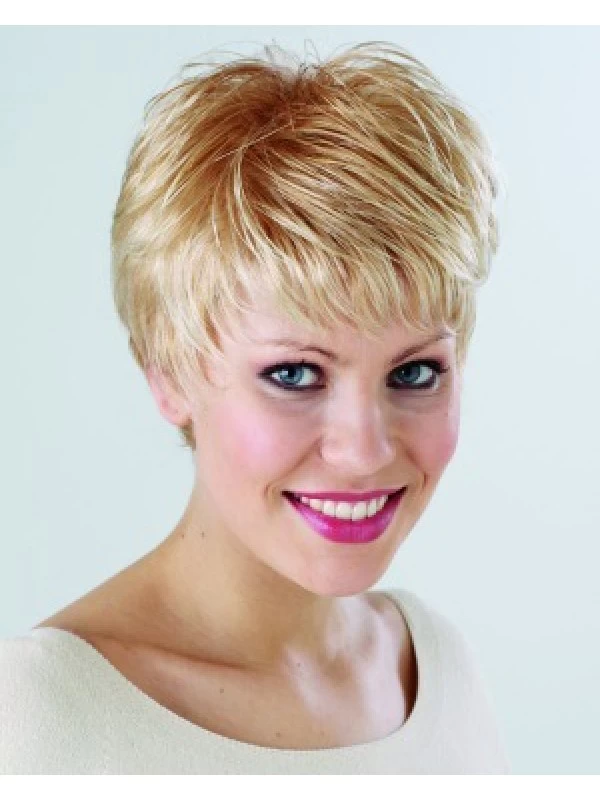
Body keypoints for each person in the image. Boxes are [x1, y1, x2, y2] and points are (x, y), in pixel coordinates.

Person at [0, 41, 509, 774]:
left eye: (415, 372)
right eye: (295, 374)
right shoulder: (39, 718)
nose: (364, 450)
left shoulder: (442, 675)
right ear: (168, 373)